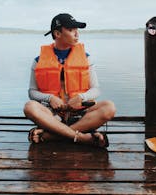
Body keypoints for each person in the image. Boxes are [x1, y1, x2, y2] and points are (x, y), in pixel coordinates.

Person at [23, 13, 116, 148]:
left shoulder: (86, 58)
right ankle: (83, 138)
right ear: (57, 33)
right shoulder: (38, 61)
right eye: (71, 30)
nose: (76, 34)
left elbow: (96, 89)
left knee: (109, 107)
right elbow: (32, 92)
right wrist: (50, 98)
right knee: (29, 107)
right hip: (52, 115)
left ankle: (51, 135)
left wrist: (81, 97)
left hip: (80, 114)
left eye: (77, 31)